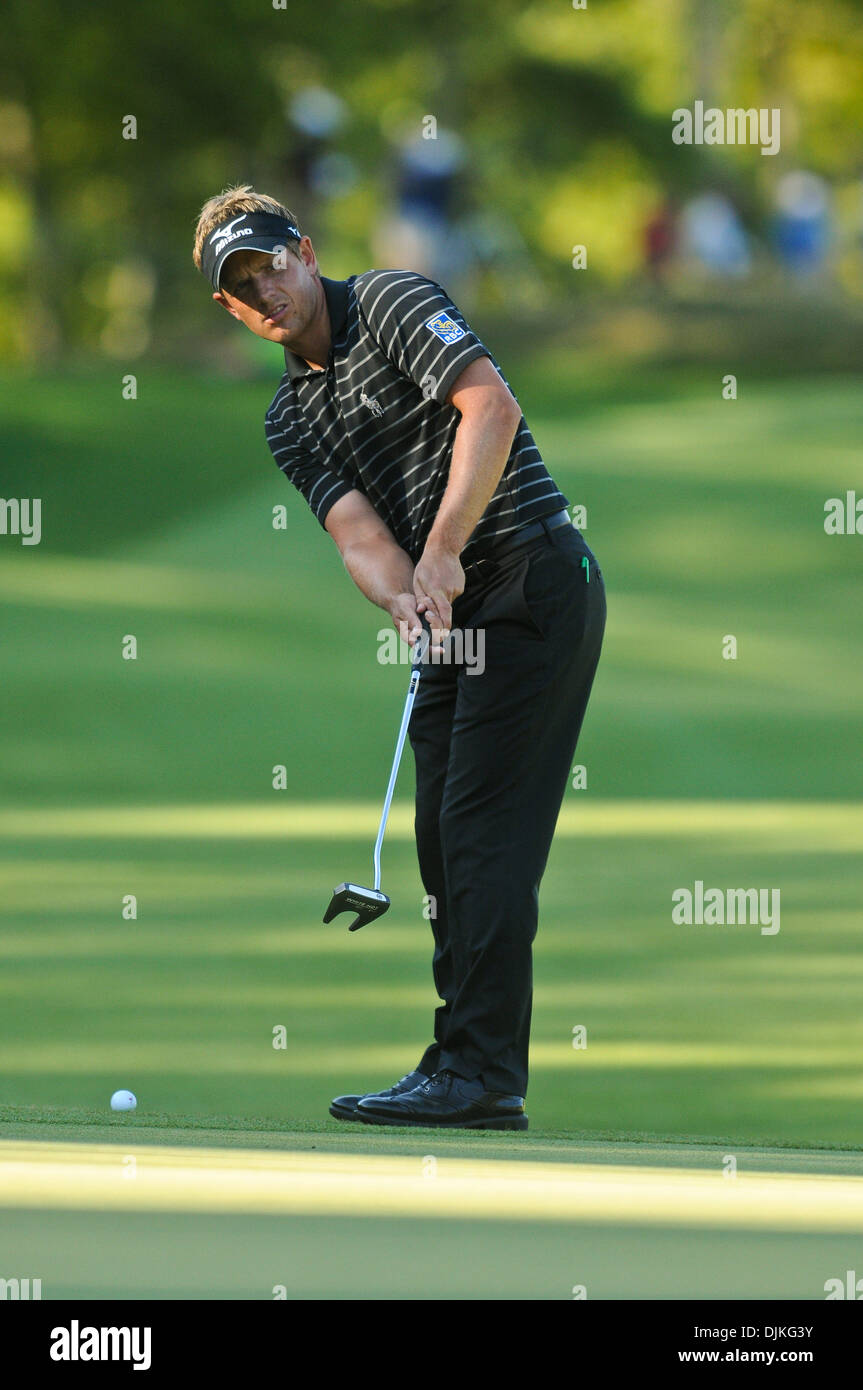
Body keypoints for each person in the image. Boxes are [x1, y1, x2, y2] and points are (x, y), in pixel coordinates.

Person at [193, 184, 606, 1130]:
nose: (267, 291)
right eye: (243, 286)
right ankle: (464, 1063)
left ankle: (479, 1070)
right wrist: (402, 597)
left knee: (479, 834)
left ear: (303, 247)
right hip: (449, 607)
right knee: (438, 839)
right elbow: (357, 536)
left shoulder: (390, 300)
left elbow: (488, 409)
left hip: (530, 578)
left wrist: (446, 548)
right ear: (228, 305)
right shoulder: (288, 419)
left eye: (272, 264)